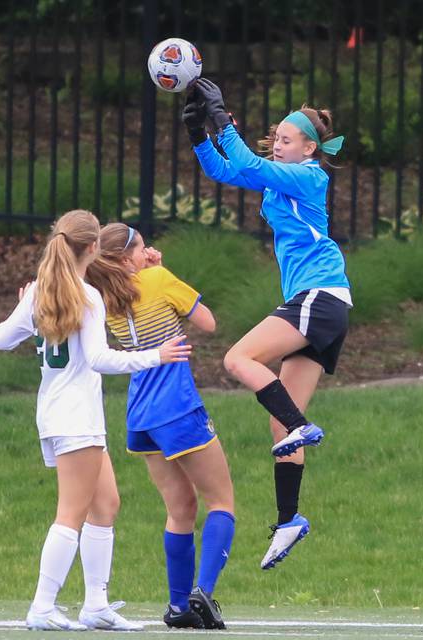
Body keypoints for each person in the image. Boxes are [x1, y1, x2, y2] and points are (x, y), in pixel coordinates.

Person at [0, 209, 192, 632]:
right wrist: (156, 356)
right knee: (71, 513)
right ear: (92, 248)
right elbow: (101, 359)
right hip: (76, 418)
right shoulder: (87, 296)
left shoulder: (41, 294)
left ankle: (96, 605)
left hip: (60, 415)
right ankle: (42, 606)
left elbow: (1, 338)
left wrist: (23, 307)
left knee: (106, 505)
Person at [183, 79, 352, 570]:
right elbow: (227, 169)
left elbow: (252, 164)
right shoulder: (281, 175)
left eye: (286, 138)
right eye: (275, 136)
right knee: (280, 426)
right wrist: (200, 133)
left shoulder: (311, 177)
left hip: (319, 295)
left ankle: (303, 426)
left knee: (238, 358)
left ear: (309, 149)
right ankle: (289, 519)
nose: (278, 142)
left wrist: (222, 117)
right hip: (327, 304)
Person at [85, 223, 235, 630]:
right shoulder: (158, 279)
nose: (147, 250)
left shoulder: (103, 296)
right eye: (141, 247)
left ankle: (178, 606)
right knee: (221, 501)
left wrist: (149, 268)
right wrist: (163, 273)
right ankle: (202, 592)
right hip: (177, 405)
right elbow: (207, 322)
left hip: (141, 413)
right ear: (128, 257)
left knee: (180, 508)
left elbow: (136, 295)